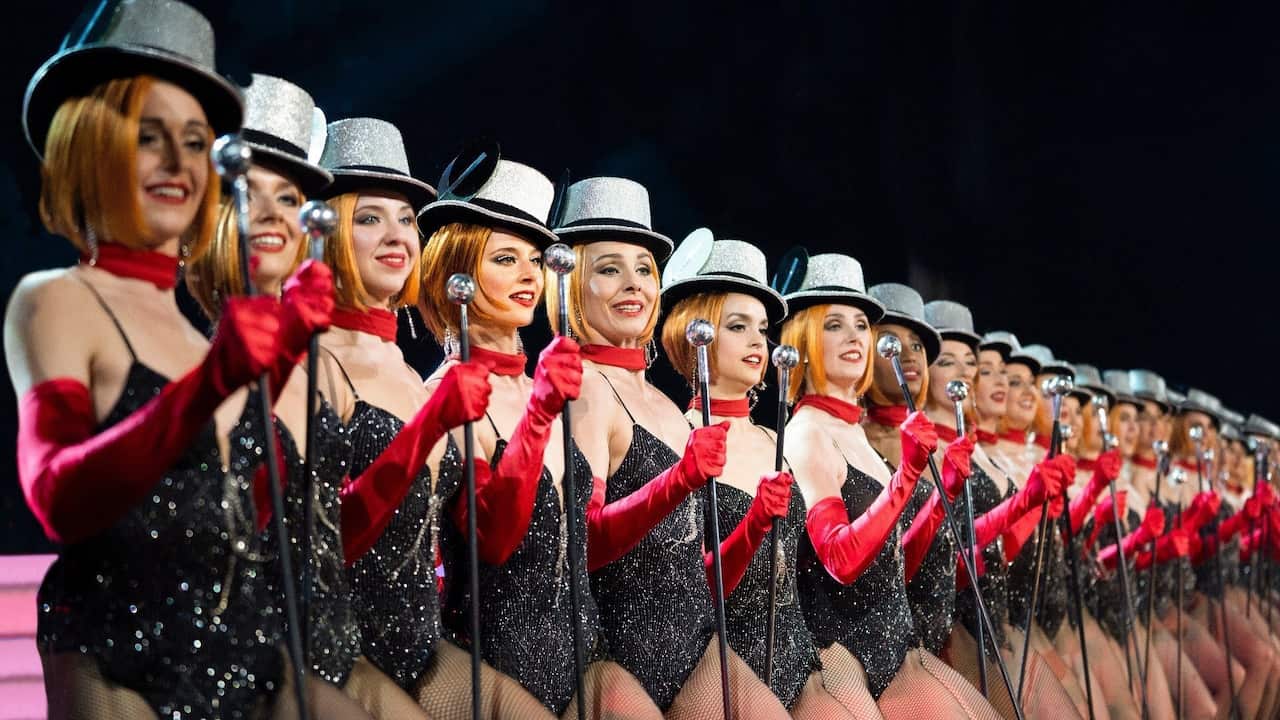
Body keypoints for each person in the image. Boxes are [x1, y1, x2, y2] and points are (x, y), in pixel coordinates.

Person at [9, 2, 321, 716]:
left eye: (194, 141)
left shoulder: (195, 335)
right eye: (150, 138)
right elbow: (58, 497)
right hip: (117, 664)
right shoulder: (56, 299)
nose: (180, 164)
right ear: (88, 143)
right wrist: (215, 384)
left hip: (246, 662)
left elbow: (243, 518)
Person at [418, 160, 661, 719]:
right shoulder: (445, 396)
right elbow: (496, 540)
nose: (529, 273)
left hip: (586, 659)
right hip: (496, 664)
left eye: (535, 259)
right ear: (456, 273)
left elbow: (589, 539)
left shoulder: (549, 388)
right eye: (506, 259)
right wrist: (540, 411)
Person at [552, 179, 789, 717]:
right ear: (572, 285)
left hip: (699, 645)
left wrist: (752, 525)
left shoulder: (660, 403)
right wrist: (677, 479)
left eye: (644, 269)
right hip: (625, 652)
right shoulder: (587, 385)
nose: (633, 284)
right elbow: (581, 545)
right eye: (610, 268)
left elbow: (696, 566)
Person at [313, 117, 499, 717]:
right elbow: (322, 542)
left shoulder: (404, 370)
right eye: (369, 218)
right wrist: (431, 428)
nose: (396, 235)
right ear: (327, 230)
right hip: (339, 645)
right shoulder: (315, 362)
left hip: (424, 642)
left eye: (405, 220)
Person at [792, 279, 998, 718]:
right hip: (842, 649)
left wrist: (940, 500)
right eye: (834, 325)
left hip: (898, 642)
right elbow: (841, 560)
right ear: (803, 341)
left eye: (862, 325)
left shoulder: (853, 434)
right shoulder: (807, 431)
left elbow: (897, 561)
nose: (854, 337)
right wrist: (905, 476)